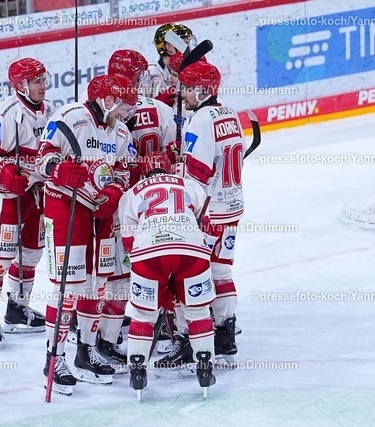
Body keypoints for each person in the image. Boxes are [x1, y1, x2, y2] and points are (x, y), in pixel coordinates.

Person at [36, 74, 137, 395]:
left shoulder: (121, 131)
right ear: (106, 99)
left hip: (101, 212)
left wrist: (115, 192)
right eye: (123, 104)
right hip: (66, 206)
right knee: (67, 287)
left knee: (98, 284)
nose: (127, 111)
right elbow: (42, 158)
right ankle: (54, 358)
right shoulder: (70, 117)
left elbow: (123, 170)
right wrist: (58, 170)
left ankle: (86, 351)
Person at [93, 49, 178, 368]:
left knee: (112, 275)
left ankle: (99, 333)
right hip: (155, 206)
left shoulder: (102, 111)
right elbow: (175, 157)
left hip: (114, 205)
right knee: (159, 268)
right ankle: (169, 326)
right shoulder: (160, 109)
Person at [118, 151, 216, 397]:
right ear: (170, 169)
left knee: (143, 315)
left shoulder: (131, 193)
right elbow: (206, 225)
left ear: (144, 173)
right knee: (198, 312)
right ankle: (205, 368)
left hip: (149, 252)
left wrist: (158, 282)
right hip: (191, 250)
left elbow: (129, 242)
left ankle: (138, 372)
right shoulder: (189, 185)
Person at [165, 61, 244, 364]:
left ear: (203, 90)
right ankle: (225, 334)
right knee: (221, 271)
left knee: (186, 273)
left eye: (187, 88)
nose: (182, 93)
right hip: (231, 208)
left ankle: (190, 338)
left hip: (207, 213)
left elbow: (197, 175)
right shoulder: (230, 114)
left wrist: (176, 169)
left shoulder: (199, 120)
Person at [0, 58, 53, 350]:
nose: (42, 86)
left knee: (31, 254)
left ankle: (17, 308)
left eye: (43, 79)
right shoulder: (5, 113)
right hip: (5, 196)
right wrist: (5, 173)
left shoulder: (50, 111)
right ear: (21, 86)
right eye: (36, 81)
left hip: (36, 193)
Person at [144, 23, 195, 98]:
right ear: (169, 47)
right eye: (185, 43)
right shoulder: (149, 75)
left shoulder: (188, 71)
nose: (189, 48)